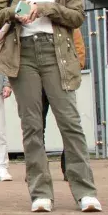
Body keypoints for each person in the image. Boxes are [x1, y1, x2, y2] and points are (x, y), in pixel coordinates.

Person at [0, 0, 101, 213]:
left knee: (70, 123)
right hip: (23, 56)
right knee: (32, 127)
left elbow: (77, 15)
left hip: (57, 54)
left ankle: (85, 192)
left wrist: (47, 8)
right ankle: (41, 193)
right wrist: (17, 10)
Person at [39, 28, 85, 178]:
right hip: (36, 79)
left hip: (62, 77)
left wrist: (76, 66)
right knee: (36, 125)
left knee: (68, 124)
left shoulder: (62, 10)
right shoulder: (25, 5)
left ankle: (71, 168)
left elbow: (77, 41)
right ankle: (38, 167)